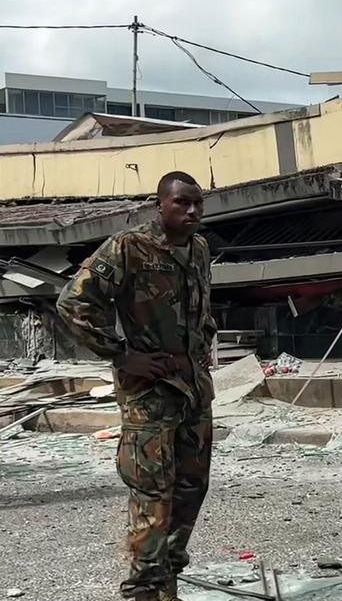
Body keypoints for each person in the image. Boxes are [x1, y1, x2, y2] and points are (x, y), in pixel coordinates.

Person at [57, 171, 216, 601]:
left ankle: (168, 583)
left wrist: (205, 340)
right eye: (182, 202)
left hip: (193, 389)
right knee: (152, 494)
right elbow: (74, 303)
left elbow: (200, 304)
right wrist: (122, 354)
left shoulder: (198, 249)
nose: (192, 211)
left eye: (198, 203)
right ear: (159, 205)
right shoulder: (129, 247)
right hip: (150, 393)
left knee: (191, 488)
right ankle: (143, 590)